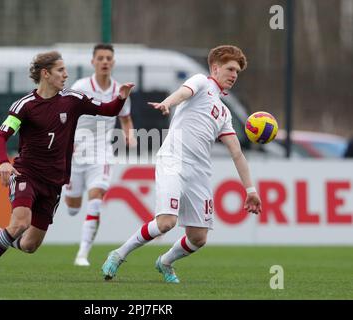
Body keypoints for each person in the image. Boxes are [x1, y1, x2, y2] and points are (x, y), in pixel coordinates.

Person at [0, 50, 134, 286]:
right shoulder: (24, 106)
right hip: (26, 174)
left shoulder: (73, 100)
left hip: (53, 182)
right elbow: (1, 137)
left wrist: (121, 97)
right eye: (60, 70)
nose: (66, 75)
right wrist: (4, 161)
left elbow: (108, 110)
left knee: (29, 245)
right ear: (46, 74)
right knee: (20, 223)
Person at [101, 45, 262, 283]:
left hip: (199, 172)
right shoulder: (201, 82)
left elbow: (237, 153)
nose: (234, 74)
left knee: (198, 238)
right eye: (230, 68)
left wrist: (251, 190)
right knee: (166, 222)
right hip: (173, 161)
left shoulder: (224, 113)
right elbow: (183, 93)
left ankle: (165, 262)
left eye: (237, 71)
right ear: (215, 68)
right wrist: (167, 102)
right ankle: (118, 254)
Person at [65, 43, 136, 267]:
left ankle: (82, 254)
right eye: (101, 58)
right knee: (73, 208)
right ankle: (72, 201)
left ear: (113, 63)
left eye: (109, 58)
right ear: (93, 62)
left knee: (95, 201)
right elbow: (65, 115)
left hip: (102, 153)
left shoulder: (120, 90)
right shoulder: (80, 86)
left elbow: (125, 117)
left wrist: (129, 136)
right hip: (76, 153)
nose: (105, 61)